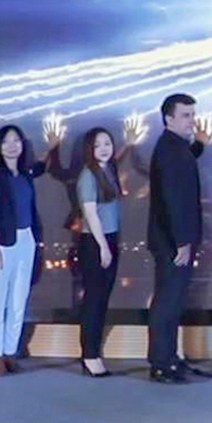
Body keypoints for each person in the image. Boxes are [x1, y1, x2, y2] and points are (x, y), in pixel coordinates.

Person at [146, 93, 212, 384]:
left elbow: (183, 168)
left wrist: (199, 146)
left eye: (193, 115)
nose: (192, 121)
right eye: (186, 115)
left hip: (173, 239)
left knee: (173, 301)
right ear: (168, 118)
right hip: (172, 241)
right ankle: (161, 363)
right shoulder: (169, 149)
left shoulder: (175, 147)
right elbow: (173, 198)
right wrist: (182, 241)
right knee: (167, 301)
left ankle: (170, 358)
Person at [0, 124, 46, 377]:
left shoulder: (25, 174)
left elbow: (41, 167)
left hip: (25, 240)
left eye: (16, 140)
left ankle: (10, 352)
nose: (11, 145)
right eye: (6, 141)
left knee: (18, 301)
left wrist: (52, 148)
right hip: (0, 243)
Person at [74, 126, 122, 378]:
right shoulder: (88, 175)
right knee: (93, 301)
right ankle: (89, 355)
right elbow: (90, 214)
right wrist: (103, 246)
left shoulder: (109, 170)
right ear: (89, 150)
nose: (104, 149)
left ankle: (93, 353)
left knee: (102, 300)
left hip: (110, 238)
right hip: (94, 242)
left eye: (107, 143)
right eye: (97, 145)